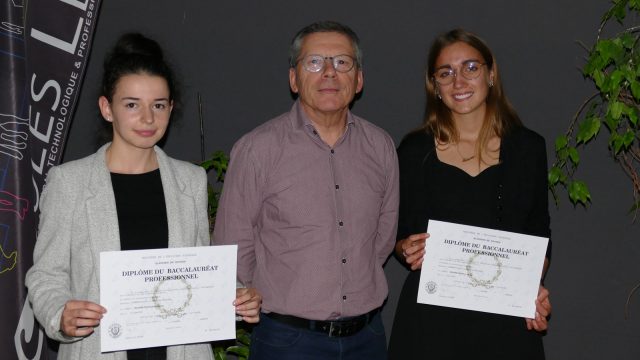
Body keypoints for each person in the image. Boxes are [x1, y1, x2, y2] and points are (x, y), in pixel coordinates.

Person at [25, 33, 261, 360]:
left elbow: (197, 270)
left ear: (171, 108)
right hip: (98, 350)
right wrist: (60, 314)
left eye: (159, 105)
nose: (148, 118)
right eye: (132, 104)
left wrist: (236, 297)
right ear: (107, 108)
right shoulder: (70, 182)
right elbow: (46, 274)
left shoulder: (190, 180)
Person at [213, 21, 399, 359]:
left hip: (367, 338)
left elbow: (382, 238)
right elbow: (233, 244)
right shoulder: (258, 149)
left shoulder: (381, 147)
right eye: (315, 62)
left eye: (342, 62)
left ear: (358, 80)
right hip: (288, 341)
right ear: (294, 79)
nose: (329, 72)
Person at [388, 29, 552, 359]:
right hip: (430, 319)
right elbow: (400, 234)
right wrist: (404, 247)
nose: (458, 81)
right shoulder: (413, 151)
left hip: (504, 318)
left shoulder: (528, 148)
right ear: (434, 86)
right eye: (445, 73)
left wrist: (529, 289)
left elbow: (538, 234)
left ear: (491, 75)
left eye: (470, 68)